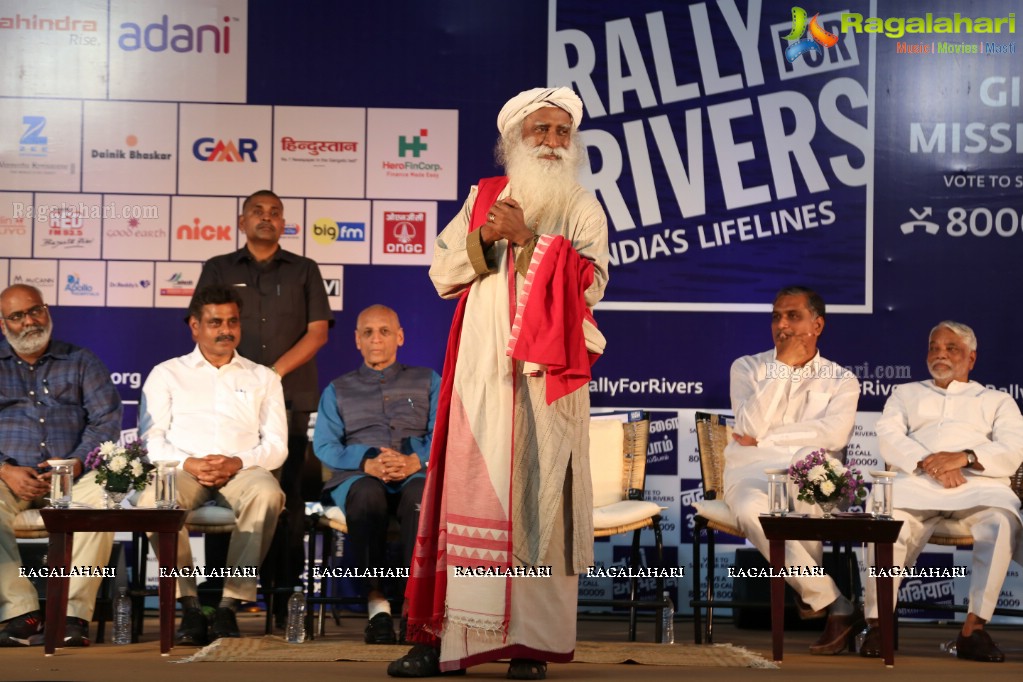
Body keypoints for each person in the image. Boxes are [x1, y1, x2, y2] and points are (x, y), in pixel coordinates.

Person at [389, 87, 609, 680]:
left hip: (547, 383)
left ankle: (529, 649)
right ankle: (448, 641)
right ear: (514, 139)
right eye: (539, 130)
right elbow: (441, 269)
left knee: (539, 506)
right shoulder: (483, 198)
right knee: (468, 496)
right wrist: (489, 234)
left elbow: (591, 289)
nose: (552, 142)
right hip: (482, 378)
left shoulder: (583, 207)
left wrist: (530, 241)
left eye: (562, 132)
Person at [195, 189, 332, 600]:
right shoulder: (218, 268)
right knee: (225, 491)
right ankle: (220, 596)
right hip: (227, 402)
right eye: (258, 211)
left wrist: (270, 376)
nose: (267, 218)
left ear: (284, 223)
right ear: (242, 221)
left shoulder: (305, 269)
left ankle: (283, 592)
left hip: (289, 398)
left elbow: (318, 331)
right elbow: (201, 322)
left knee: (283, 495)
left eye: (275, 212)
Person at [860, 321, 1023, 662]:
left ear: (972, 358)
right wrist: (929, 463)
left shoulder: (997, 400)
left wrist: (964, 458)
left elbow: (1013, 449)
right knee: (882, 520)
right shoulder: (906, 393)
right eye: (934, 347)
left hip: (978, 486)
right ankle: (878, 625)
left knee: (1002, 523)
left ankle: (973, 630)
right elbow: (889, 436)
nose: (940, 354)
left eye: (951, 348)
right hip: (916, 481)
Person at [139, 285, 287, 645]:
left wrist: (237, 461)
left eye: (232, 321)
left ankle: (228, 605)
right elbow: (150, 440)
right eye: (215, 322)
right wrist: (187, 461)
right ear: (194, 326)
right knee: (151, 503)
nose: (226, 329)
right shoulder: (167, 373)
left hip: (242, 471)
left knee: (269, 494)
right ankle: (189, 605)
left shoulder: (263, 377)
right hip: (184, 469)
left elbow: (277, 446)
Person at [724, 286, 863, 655]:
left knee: (809, 485)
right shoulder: (748, 368)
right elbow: (750, 429)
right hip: (751, 470)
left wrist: (774, 436)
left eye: (793, 316)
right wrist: (781, 367)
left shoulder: (842, 379)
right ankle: (834, 602)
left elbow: (834, 435)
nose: (781, 324)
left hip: (809, 470)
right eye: (776, 316)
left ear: (817, 324)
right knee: (753, 510)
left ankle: (815, 597)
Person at [0, 284, 122, 647]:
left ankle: (72, 615)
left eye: (34, 311)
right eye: (17, 316)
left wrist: (75, 464)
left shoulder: (81, 360)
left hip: (72, 475)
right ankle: (21, 612)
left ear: (47, 311)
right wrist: (5, 470)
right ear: (3, 322)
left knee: (101, 502)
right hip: (8, 475)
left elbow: (106, 420)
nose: (28, 322)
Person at [313, 304, 439, 644]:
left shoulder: (427, 379)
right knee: (368, 494)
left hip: (414, 472)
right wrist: (366, 462)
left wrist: (417, 461)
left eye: (384, 331)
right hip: (358, 476)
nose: (376, 339)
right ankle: (377, 605)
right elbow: (324, 445)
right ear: (356, 340)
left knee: (420, 496)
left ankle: (416, 606)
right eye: (367, 332)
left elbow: (446, 430)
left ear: (400, 336)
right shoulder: (338, 389)